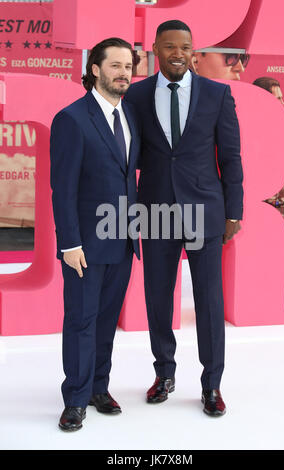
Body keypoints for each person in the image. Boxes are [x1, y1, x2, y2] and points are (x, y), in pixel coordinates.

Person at [125, 20, 243, 417]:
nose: (179, 53)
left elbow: (230, 158)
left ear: (194, 51)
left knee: (210, 302)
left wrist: (235, 211)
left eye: (186, 46)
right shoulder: (136, 95)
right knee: (158, 299)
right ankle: (165, 373)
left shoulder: (217, 94)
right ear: (155, 48)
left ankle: (212, 385)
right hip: (155, 210)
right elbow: (129, 157)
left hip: (206, 212)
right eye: (170, 45)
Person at [50, 38, 140, 431]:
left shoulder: (130, 116)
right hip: (84, 245)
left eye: (129, 66)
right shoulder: (71, 119)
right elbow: (63, 188)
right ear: (95, 70)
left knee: (106, 322)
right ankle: (75, 399)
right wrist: (69, 243)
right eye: (116, 65)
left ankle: (98, 388)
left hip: (122, 241)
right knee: (82, 321)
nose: (124, 73)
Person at [253, 77, 284, 215]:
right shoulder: (249, 134)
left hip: (279, 212)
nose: (283, 103)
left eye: (281, 98)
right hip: (258, 211)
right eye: (278, 99)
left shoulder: (282, 132)